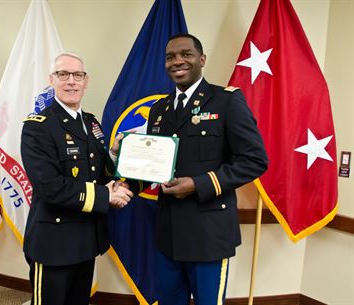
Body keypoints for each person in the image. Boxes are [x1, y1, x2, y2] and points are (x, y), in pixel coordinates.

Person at [112, 33, 268, 305]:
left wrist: (199, 184)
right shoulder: (159, 109)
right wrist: (128, 185)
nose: (177, 62)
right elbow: (154, 167)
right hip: (168, 231)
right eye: (170, 57)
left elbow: (254, 160)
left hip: (209, 231)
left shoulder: (226, 101)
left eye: (186, 54)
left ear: (202, 59)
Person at [21, 52, 133, 305]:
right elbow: (50, 187)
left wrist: (113, 153)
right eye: (63, 74)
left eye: (77, 75)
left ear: (86, 81)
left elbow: (99, 171)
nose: (71, 81)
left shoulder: (91, 123)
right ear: (52, 79)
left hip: (86, 236)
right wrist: (108, 195)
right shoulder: (38, 126)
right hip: (54, 242)